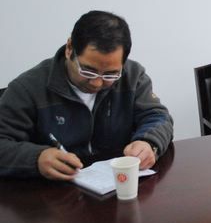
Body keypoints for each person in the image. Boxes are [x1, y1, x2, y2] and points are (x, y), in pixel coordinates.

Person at [0, 11, 173, 180]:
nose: (97, 83)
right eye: (88, 71)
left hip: (117, 184)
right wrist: (36, 158)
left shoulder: (132, 76)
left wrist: (149, 143)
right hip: (54, 190)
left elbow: (158, 116)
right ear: (69, 49)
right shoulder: (28, 88)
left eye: (110, 74)